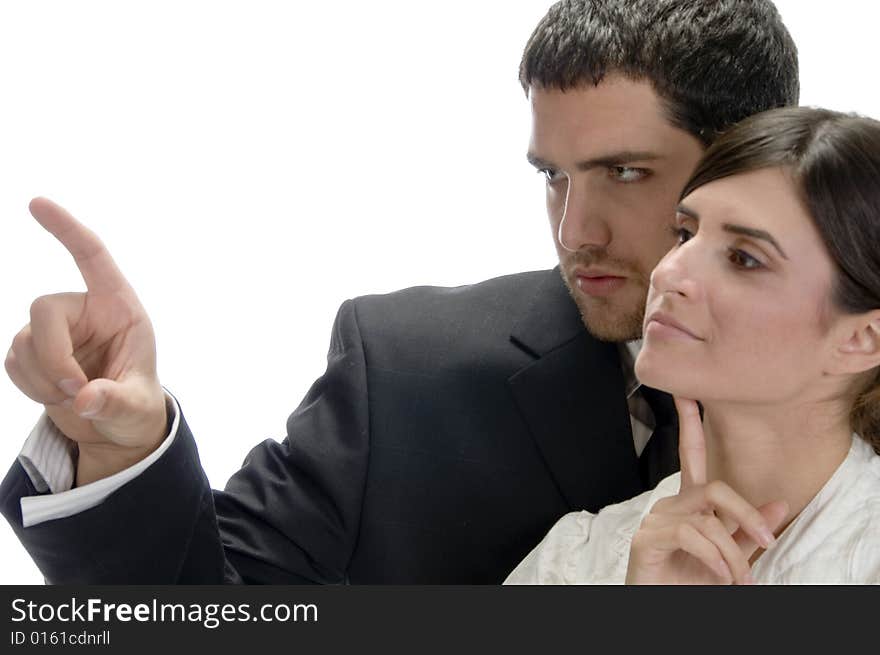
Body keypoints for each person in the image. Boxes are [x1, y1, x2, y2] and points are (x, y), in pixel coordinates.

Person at [0, 0, 799, 583]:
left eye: (625, 172)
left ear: (760, 161)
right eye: (552, 176)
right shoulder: (405, 371)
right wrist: (121, 449)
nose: (573, 231)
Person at [506, 106, 880, 585]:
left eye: (744, 258)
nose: (669, 273)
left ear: (860, 338)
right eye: (685, 233)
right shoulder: (577, 559)